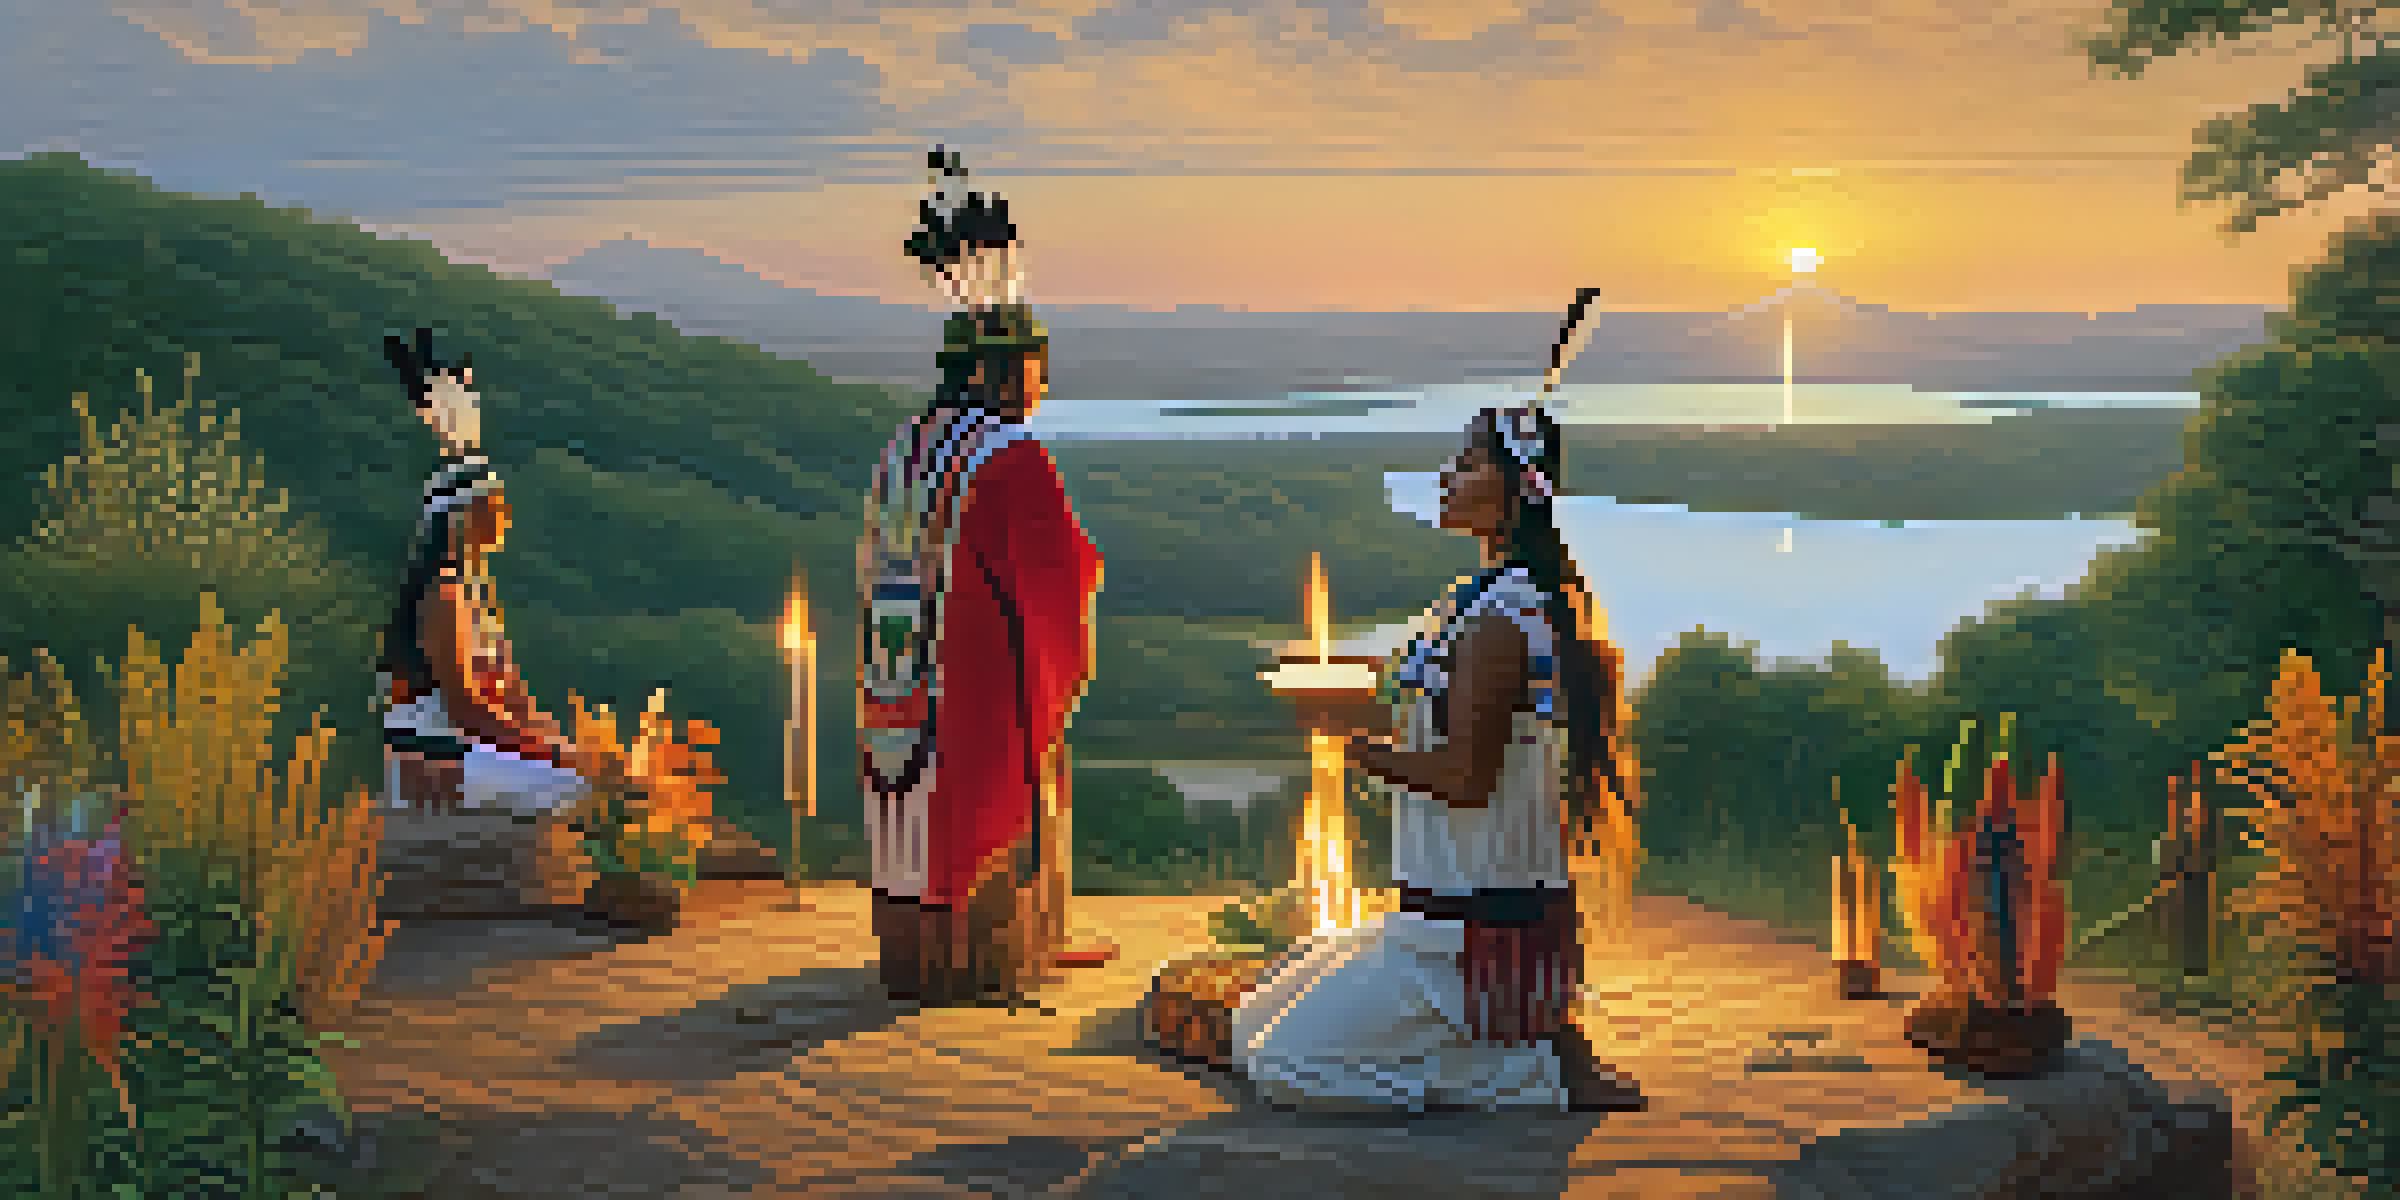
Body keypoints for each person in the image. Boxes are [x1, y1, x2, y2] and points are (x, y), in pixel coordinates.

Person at [1230, 405, 1646, 1113]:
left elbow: (1465, 778)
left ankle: (1529, 1075)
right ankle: (1500, 1050)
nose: (1448, 477)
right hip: (1424, 921)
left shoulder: (1500, 622)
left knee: (1286, 1065)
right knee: (1247, 1024)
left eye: (1469, 462)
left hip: (1461, 940)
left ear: (1517, 490)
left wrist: (1352, 746)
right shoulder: (1477, 602)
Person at [859, 294, 1112, 1007]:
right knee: (992, 806)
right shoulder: (1011, 456)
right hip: (981, 675)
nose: (1041, 386)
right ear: (999, 375)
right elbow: (1050, 575)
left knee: (909, 811)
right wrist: (1086, 573)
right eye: (1035, 369)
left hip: (896, 669)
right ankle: (990, 965)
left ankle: (915, 960)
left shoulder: (904, 445)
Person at [377, 328, 587, 813]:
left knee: (605, 786)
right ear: (460, 519)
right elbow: (465, 708)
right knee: (583, 795)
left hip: (474, 750)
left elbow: (512, 698)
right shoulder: (442, 596)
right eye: (492, 507)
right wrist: (553, 751)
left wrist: (559, 741)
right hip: (437, 760)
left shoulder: (475, 596)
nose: (503, 518)